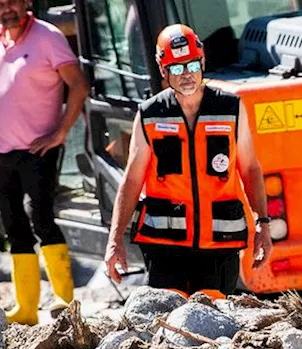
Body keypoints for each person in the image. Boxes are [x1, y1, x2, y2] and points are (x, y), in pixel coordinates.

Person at [104, 24, 272, 295]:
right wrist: (115, 241)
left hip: (219, 243)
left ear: (202, 61)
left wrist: (263, 225)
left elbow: (250, 168)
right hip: (165, 246)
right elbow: (132, 180)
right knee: (171, 320)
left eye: (192, 65)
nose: (186, 75)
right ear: (163, 70)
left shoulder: (231, 108)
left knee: (215, 320)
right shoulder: (150, 114)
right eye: (177, 68)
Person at [0, 0, 89, 325]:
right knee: (13, 226)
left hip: (40, 149)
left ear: (26, 3)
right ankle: (25, 309)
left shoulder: (48, 37)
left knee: (41, 217)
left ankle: (65, 300)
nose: (7, 9)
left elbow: (78, 84)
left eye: (13, 2)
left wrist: (61, 132)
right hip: (0, 151)